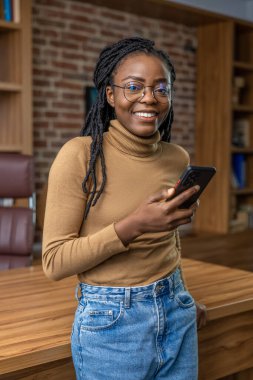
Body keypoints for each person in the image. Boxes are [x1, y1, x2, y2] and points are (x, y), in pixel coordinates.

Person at [42, 36, 206, 380]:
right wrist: (134, 225)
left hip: (175, 309)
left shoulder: (178, 158)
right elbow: (55, 262)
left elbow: (167, 246)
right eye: (134, 86)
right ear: (111, 94)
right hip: (111, 324)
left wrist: (180, 300)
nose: (149, 97)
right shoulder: (79, 156)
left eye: (161, 88)